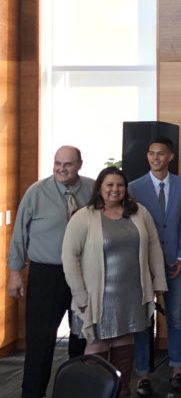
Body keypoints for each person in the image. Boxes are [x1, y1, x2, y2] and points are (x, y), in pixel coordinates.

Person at [62, 167, 167, 398]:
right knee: (98, 343)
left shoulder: (139, 212)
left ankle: (122, 392)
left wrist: (158, 281)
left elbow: (154, 247)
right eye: (109, 184)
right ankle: (96, 393)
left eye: (119, 185)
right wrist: (79, 295)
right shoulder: (84, 216)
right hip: (97, 296)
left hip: (131, 294)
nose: (115, 189)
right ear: (99, 187)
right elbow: (69, 257)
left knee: (125, 343)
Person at [7, 146, 91, 398]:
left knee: (83, 339)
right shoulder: (37, 192)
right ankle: (33, 393)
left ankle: (79, 391)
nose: (61, 169)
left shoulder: (94, 189)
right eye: (57, 163)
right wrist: (14, 272)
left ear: (79, 164)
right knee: (40, 340)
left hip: (85, 275)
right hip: (46, 274)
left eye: (67, 164)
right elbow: (19, 234)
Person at [126, 137, 181, 396]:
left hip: (174, 262)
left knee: (174, 319)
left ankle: (177, 369)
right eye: (151, 153)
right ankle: (142, 374)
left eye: (161, 153)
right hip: (144, 266)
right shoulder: (133, 187)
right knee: (145, 321)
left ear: (170, 156)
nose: (155, 158)